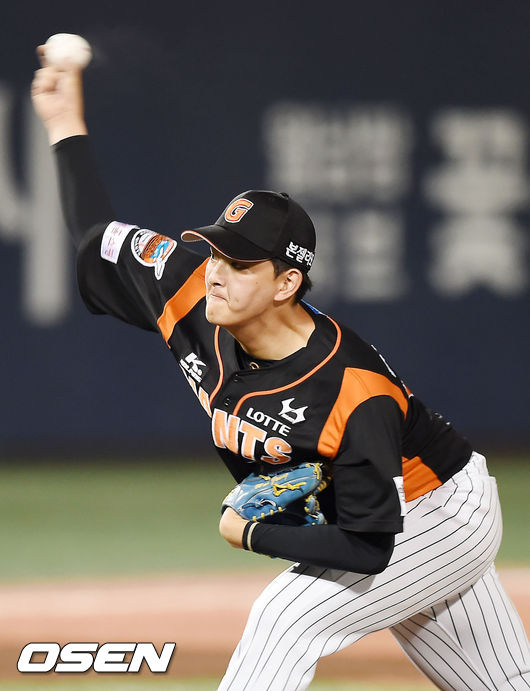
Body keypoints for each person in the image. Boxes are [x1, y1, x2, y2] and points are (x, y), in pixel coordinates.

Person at [31, 49, 530, 691]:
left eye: (240, 264)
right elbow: (96, 237)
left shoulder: (348, 388)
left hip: (432, 514)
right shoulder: (190, 285)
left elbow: (370, 544)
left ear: (285, 283)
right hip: (372, 517)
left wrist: (251, 532)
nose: (216, 272)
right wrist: (64, 121)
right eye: (216, 252)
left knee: (285, 620)